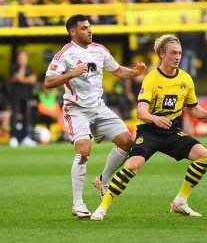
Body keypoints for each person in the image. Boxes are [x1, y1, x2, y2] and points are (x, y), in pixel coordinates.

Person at [90, 34, 207, 221]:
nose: (177, 57)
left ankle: (180, 202)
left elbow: (193, 109)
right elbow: (141, 112)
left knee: (204, 155)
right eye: (173, 53)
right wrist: (155, 119)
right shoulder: (151, 79)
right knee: (133, 165)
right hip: (149, 130)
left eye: (179, 53)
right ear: (162, 54)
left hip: (172, 131)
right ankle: (101, 209)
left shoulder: (186, 79)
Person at [44, 14, 146, 219]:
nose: (89, 30)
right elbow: (48, 82)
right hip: (76, 109)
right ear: (73, 32)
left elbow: (117, 70)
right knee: (83, 151)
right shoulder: (65, 54)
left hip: (99, 108)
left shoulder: (100, 50)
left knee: (128, 143)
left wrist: (135, 72)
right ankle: (77, 203)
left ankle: (103, 179)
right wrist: (72, 73)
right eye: (83, 28)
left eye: (89, 27)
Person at [9, 50, 38, 147]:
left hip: (26, 96)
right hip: (16, 96)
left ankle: (25, 138)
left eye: (24, 57)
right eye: (21, 57)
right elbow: (18, 77)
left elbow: (33, 79)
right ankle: (13, 138)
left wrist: (23, 80)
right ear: (18, 58)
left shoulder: (29, 68)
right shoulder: (14, 67)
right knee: (14, 117)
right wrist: (22, 67)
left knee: (27, 117)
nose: (23, 59)